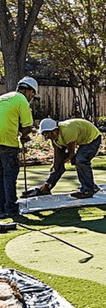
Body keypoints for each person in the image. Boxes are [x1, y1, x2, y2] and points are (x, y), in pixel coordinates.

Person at [0, 77, 38, 216]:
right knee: (9, 176)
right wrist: (23, 137)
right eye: (32, 94)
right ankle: (11, 209)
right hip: (8, 143)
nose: (31, 97)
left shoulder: (3, 97)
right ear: (28, 91)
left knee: (0, 176)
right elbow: (27, 126)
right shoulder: (21, 100)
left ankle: (1, 209)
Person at [38, 117, 102, 199]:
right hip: (80, 138)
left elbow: (71, 154)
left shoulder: (67, 131)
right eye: (44, 134)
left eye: (47, 134)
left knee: (80, 160)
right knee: (58, 165)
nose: (46, 137)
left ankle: (88, 190)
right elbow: (57, 164)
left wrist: (70, 158)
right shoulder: (54, 140)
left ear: (55, 130)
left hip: (93, 139)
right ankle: (47, 188)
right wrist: (47, 184)